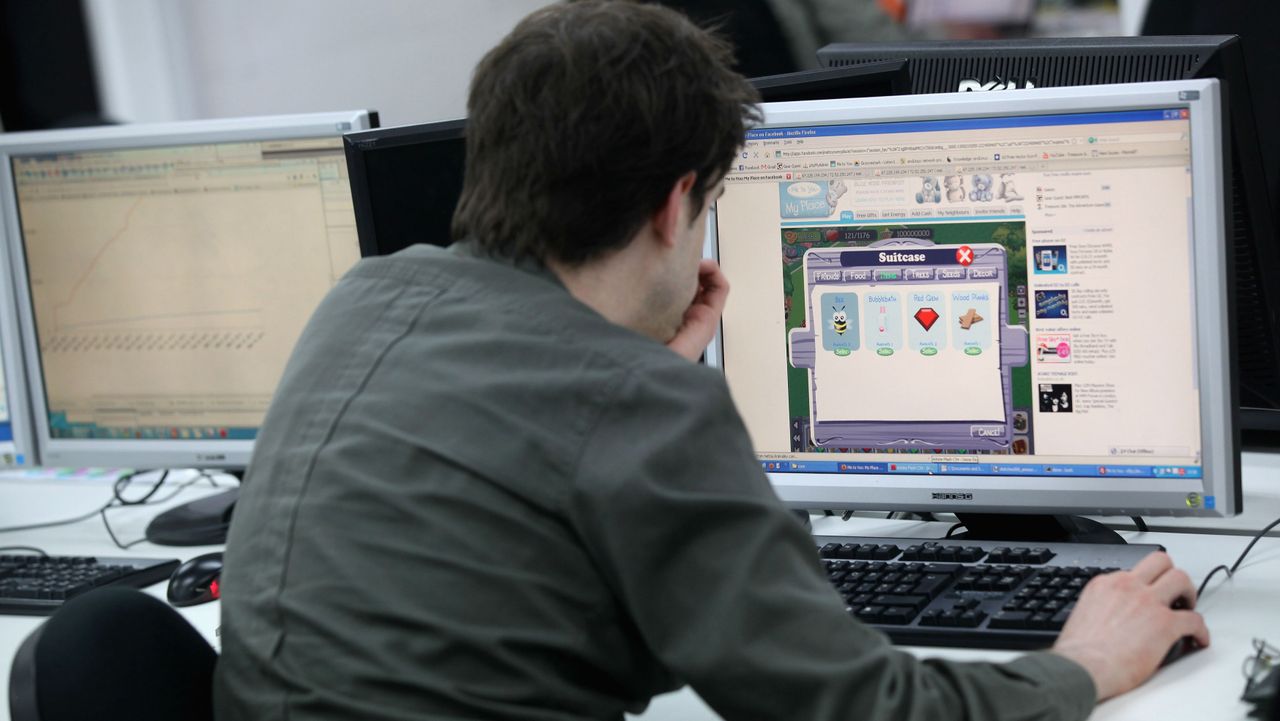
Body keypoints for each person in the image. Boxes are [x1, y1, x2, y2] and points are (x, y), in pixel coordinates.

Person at [213, 2, 1209, 720]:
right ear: (670, 204)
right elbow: (860, 708)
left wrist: (641, 384)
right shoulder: (632, 406)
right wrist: (1084, 661)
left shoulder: (360, 303)